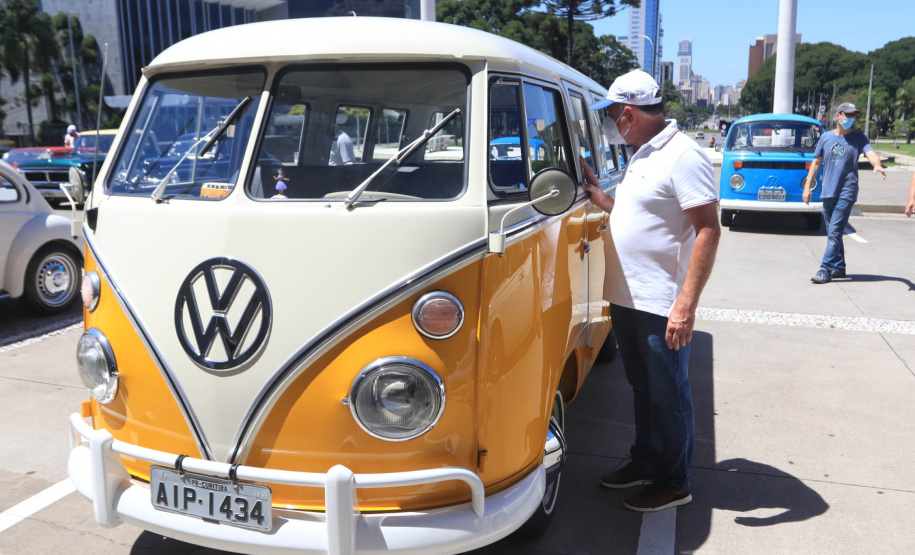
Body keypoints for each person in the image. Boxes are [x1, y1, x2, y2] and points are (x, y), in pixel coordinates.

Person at [580, 70, 721, 512]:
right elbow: (642, 212)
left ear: (628, 113)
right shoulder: (642, 152)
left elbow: (708, 231)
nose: (610, 125)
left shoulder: (683, 156)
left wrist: (685, 305)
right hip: (627, 296)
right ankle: (646, 461)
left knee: (669, 395)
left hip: (660, 304)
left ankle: (675, 481)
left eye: (612, 116)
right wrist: (603, 199)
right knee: (642, 388)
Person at [803, 102, 886, 284]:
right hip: (828, 191)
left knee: (833, 232)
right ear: (838, 116)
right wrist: (808, 187)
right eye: (847, 114)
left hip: (847, 191)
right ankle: (839, 267)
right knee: (835, 232)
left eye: (853, 115)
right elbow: (816, 163)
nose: (850, 118)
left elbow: (870, 153)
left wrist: (877, 165)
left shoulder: (859, 138)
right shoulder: (826, 138)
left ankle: (825, 268)